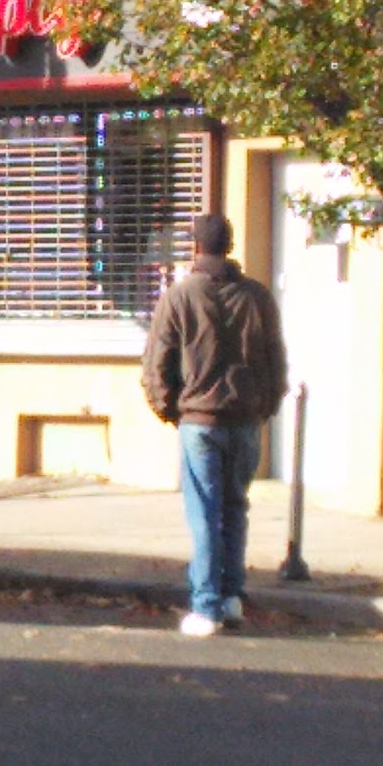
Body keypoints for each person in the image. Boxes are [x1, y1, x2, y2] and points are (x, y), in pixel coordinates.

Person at [141, 213, 288, 636]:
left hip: (199, 420)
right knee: (235, 508)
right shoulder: (257, 297)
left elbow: (157, 363)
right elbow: (276, 359)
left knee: (204, 512)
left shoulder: (179, 297)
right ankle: (231, 595)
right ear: (231, 244)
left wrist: (169, 408)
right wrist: (266, 406)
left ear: (195, 246)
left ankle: (205, 605)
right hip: (245, 418)